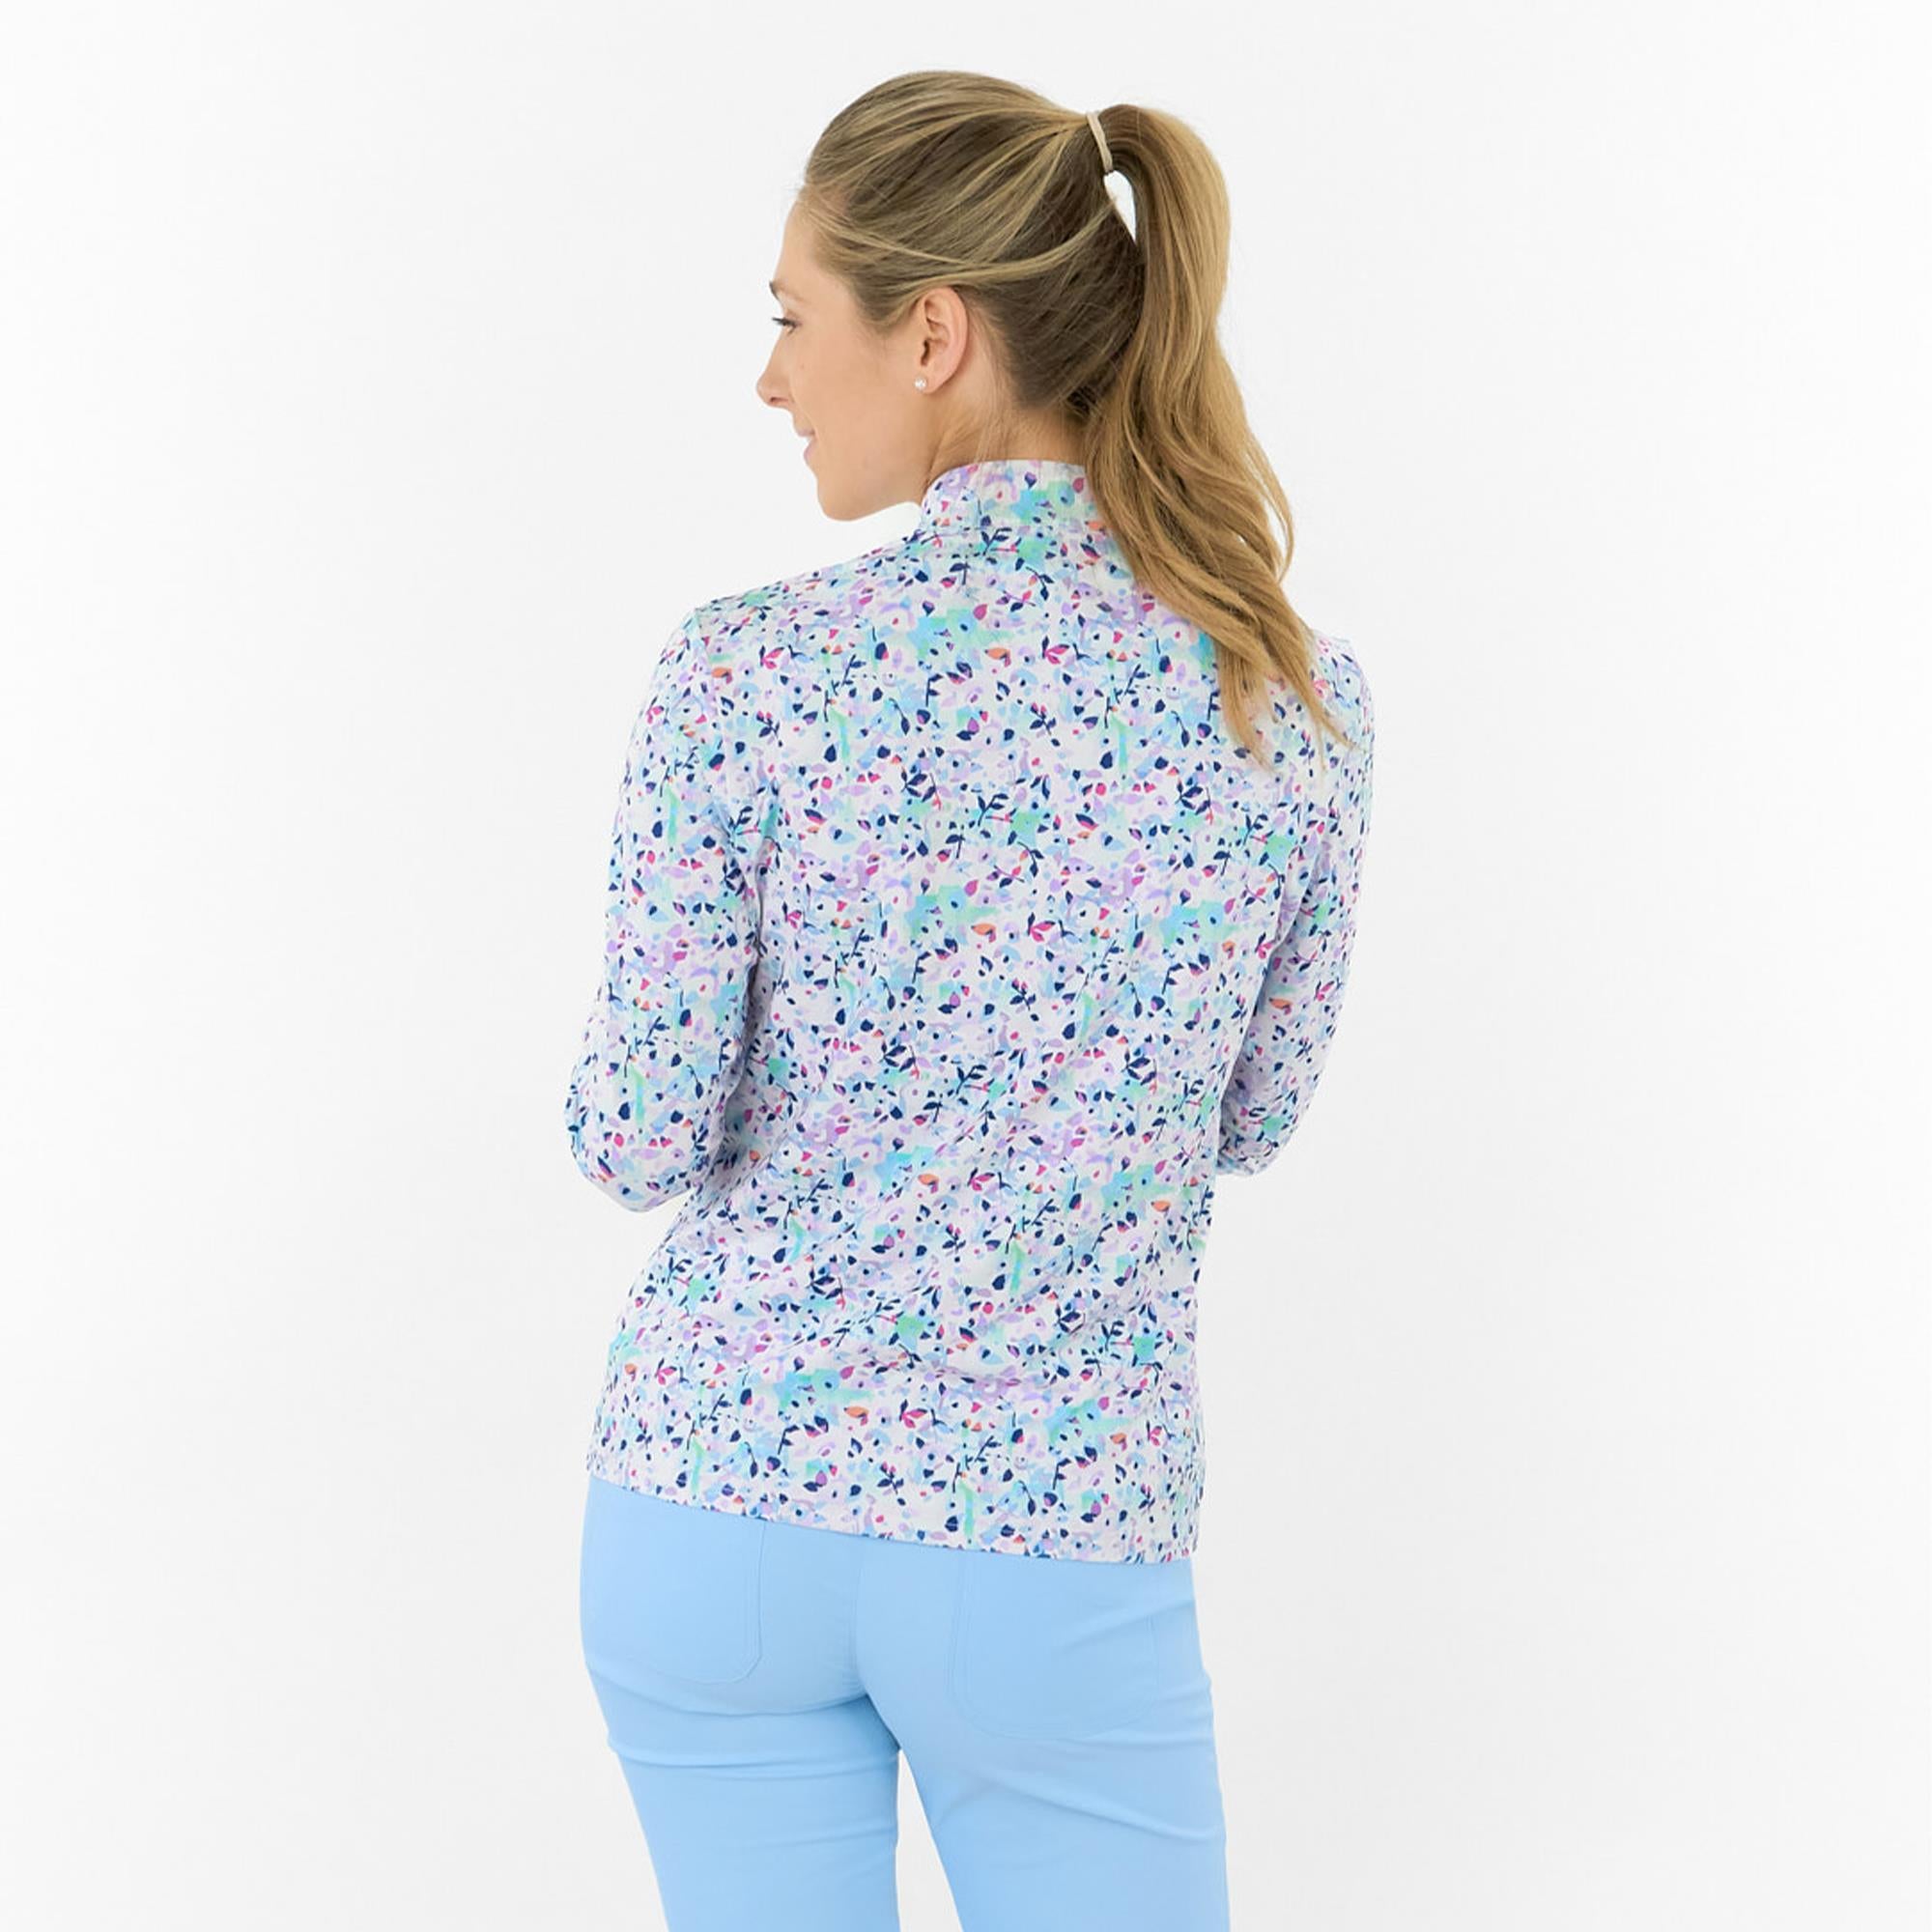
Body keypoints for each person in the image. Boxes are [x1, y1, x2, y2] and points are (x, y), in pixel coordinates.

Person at [566, 70, 1376, 1932]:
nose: (770, 377)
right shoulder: (1286, 696)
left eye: (794, 319)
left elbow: (635, 1140)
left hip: (712, 1506)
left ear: (933, 335)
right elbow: (1252, 1118)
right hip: (1051, 1540)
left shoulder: (743, 674)